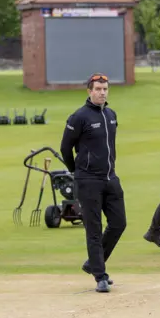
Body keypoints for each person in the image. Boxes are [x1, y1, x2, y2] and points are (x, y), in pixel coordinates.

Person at [60, 73, 127, 293]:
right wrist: (77, 171)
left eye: (105, 89)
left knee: (119, 223)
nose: (102, 93)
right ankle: (100, 275)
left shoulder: (111, 115)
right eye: (98, 89)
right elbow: (65, 148)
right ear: (89, 91)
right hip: (88, 180)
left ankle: (92, 263)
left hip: (110, 177)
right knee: (94, 228)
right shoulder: (79, 117)